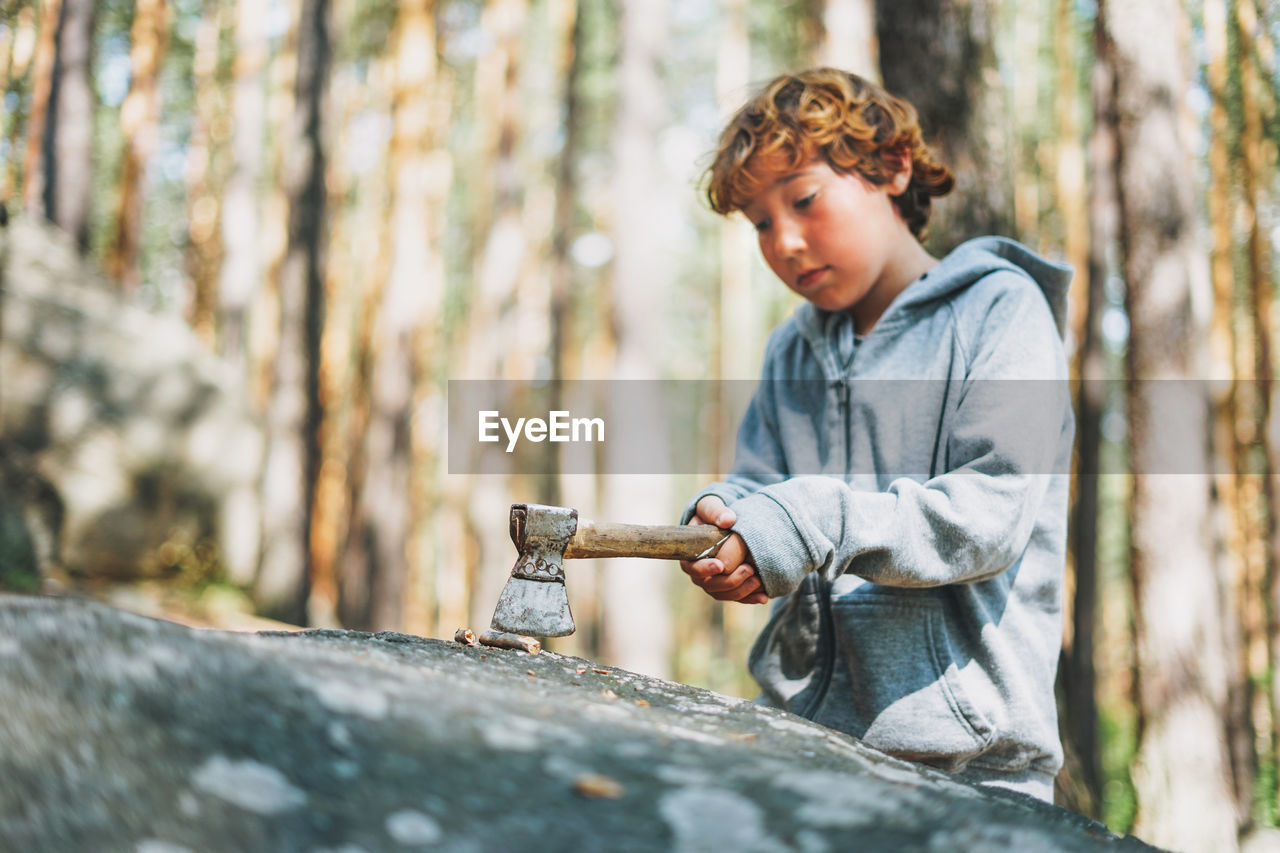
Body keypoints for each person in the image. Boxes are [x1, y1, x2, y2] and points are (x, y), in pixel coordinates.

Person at [679, 67, 1074, 802]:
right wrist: (723, 520)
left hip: (974, 772)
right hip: (802, 748)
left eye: (803, 199)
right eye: (761, 222)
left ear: (892, 167)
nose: (785, 242)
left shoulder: (1001, 311)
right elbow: (762, 490)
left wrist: (813, 519)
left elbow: (991, 514)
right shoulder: (790, 352)